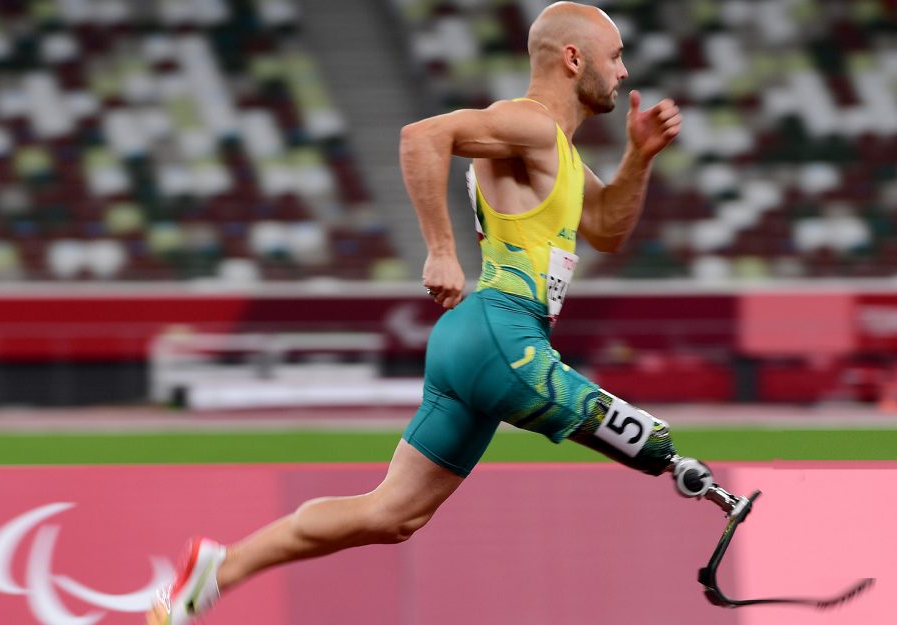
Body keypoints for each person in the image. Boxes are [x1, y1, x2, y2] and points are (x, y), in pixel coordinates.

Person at [148, 3, 746, 623]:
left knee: (391, 514)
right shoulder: (530, 124)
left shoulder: (560, 155)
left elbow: (608, 229)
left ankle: (222, 568)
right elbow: (422, 135)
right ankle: (688, 471)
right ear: (574, 59)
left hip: (479, 343)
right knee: (630, 430)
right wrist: (440, 250)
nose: (622, 73)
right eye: (615, 56)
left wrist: (639, 157)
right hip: (501, 334)